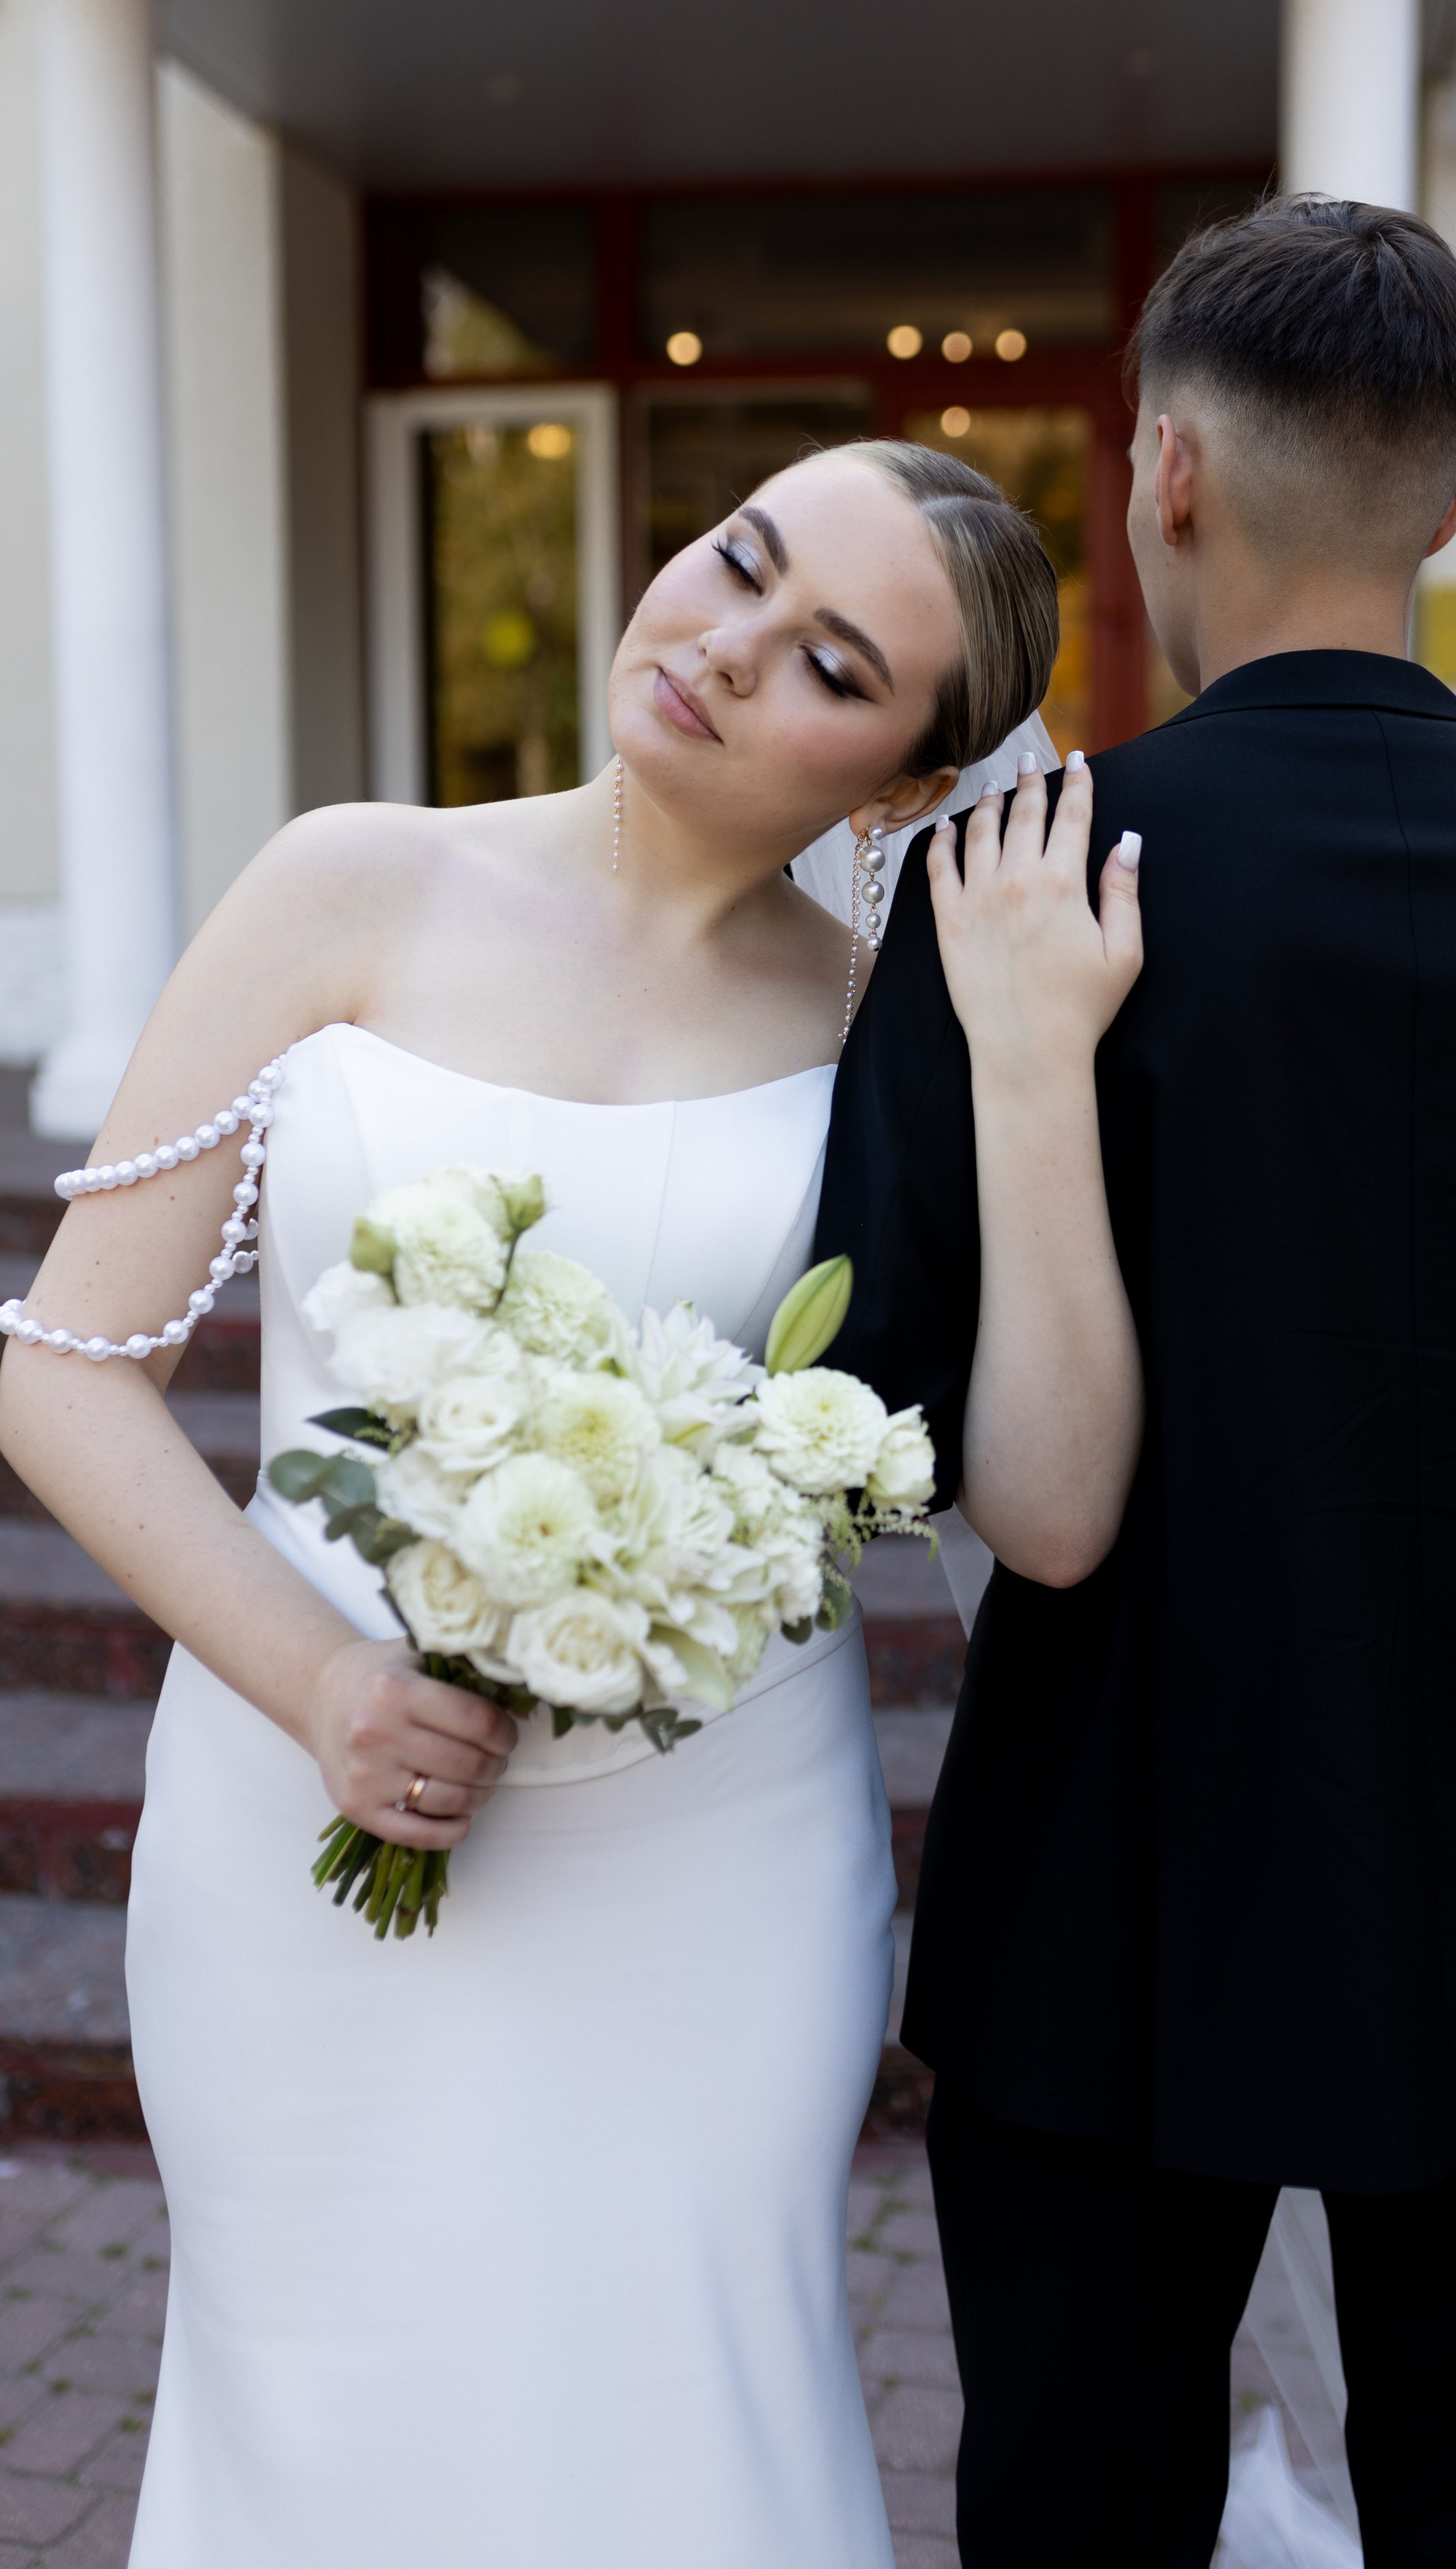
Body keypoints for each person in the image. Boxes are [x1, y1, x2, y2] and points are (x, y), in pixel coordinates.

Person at [0, 439, 1143, 2569]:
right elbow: (65, 1376)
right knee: (323, 2418)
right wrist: (325, 1681)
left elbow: (1046, 1509)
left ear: (902, 778)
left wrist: (1036, 1068)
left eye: (825, 661)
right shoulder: (348, 881)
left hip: (712, 1869)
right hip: (301, 1838)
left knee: (681, 2419)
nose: (715, 646)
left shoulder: (891, 1030)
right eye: (737, 561)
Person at [817, 198, 1456, 2568]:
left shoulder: (1019, 873)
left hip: (1105, 1871)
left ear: (1160, 473)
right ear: (1452, 501)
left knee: (1075, 2506)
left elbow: (873, 1403)